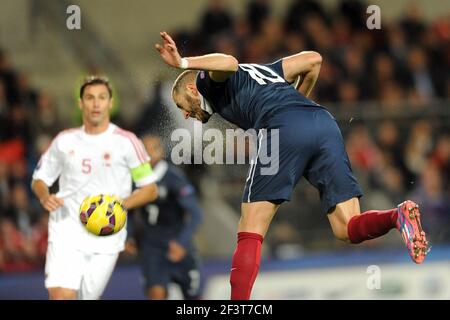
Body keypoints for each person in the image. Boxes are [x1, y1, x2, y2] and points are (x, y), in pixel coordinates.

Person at [155, 31, 431, 300]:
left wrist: (183, 63)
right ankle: (397, 216)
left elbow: (228, 61)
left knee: (250, 226)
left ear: (191, 88)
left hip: (281, 127)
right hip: (322, 123)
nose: (185, 114)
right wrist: (298, 100)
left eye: (182, 105)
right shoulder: (269, 72)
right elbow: (313, 59)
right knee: (346, 228)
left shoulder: (206, 83)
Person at [31, 76, 158, 300]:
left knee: (85, 297)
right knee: (61, 294)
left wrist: (118, 204)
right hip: (66, 228)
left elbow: (150, 189)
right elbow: (39, 178)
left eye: (102, 98)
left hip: (105, 234)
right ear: (81, 104)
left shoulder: (127, 142)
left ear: (110, 103)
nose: (96, 103)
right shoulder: (64, 140)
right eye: (90, 98)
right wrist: (44, 196)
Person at [127, 135, 203, 300]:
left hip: (176, 242)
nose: (148, 154)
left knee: (193, 297)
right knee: (156, 294)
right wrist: (128, 236)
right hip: (151, 246)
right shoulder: (136, 179)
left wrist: (182, 242)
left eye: (153, 149)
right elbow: (128, 209)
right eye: (143, 150)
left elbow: (196, 213)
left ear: (161, 152)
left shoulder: (174, 178)